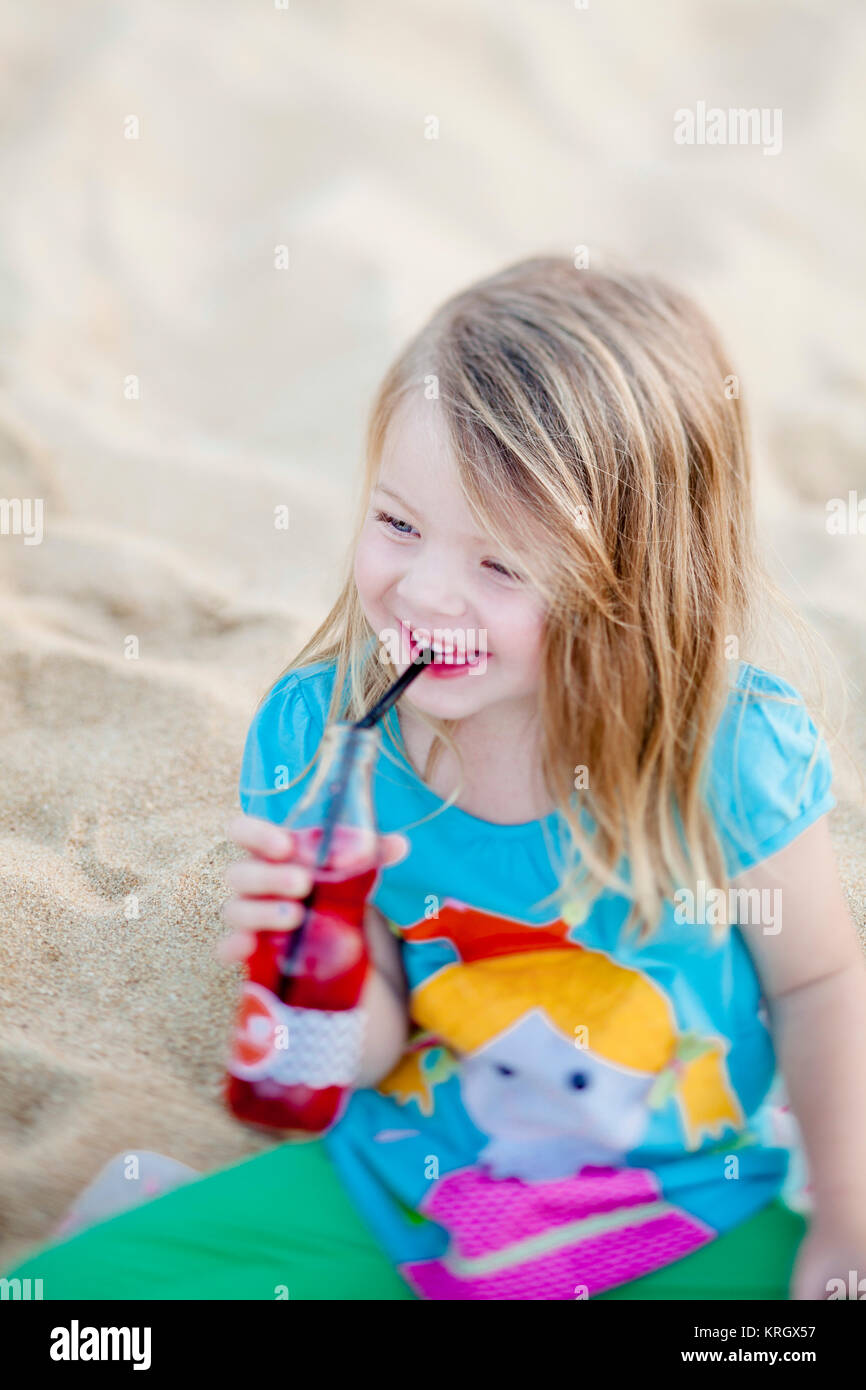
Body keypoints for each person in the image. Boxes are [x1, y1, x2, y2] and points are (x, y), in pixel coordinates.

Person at [5, 257, 865, 1300]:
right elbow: (360, 1055)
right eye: (397, 523)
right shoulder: (316, 737)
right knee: (71, 1305)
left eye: (499, 566)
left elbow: (819, 985)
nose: (421, 590)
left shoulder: (724, 750)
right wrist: (303, 961)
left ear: (628, 581)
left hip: (697, 1202)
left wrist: (846, 1214)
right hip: (415, 1198)